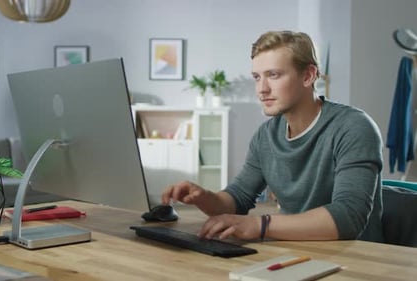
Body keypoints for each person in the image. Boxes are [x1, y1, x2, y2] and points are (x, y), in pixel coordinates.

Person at [161, 30, 384, 242]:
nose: (261, 89)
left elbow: (348, 217)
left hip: (356, 258)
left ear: (308, 75)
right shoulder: (265, 136)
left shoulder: (354, 127)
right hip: (296, 251)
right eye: (257, 77)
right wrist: (203, 197)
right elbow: (237, 199)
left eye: (273, 75)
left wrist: (260, 225)